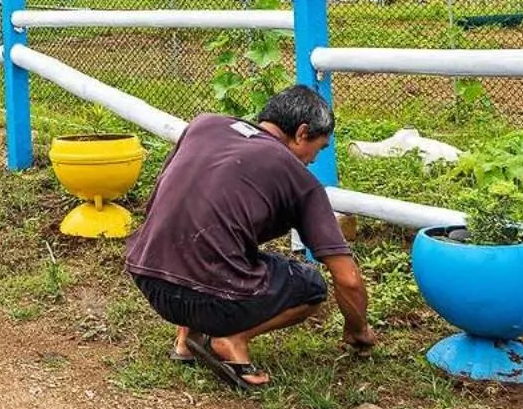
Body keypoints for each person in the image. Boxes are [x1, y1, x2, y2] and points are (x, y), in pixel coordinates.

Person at [122, 86, 373, 390]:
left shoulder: (204, 125)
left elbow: (174, 202)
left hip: (148, 278)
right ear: (302, 132)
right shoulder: (298, 177)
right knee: (309, 285)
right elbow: (347, 279)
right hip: (208, 299)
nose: (313, 160)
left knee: (212, 239)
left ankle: (186, 341)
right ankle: (231, 340)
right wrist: (358, 330)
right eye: (319, 148)